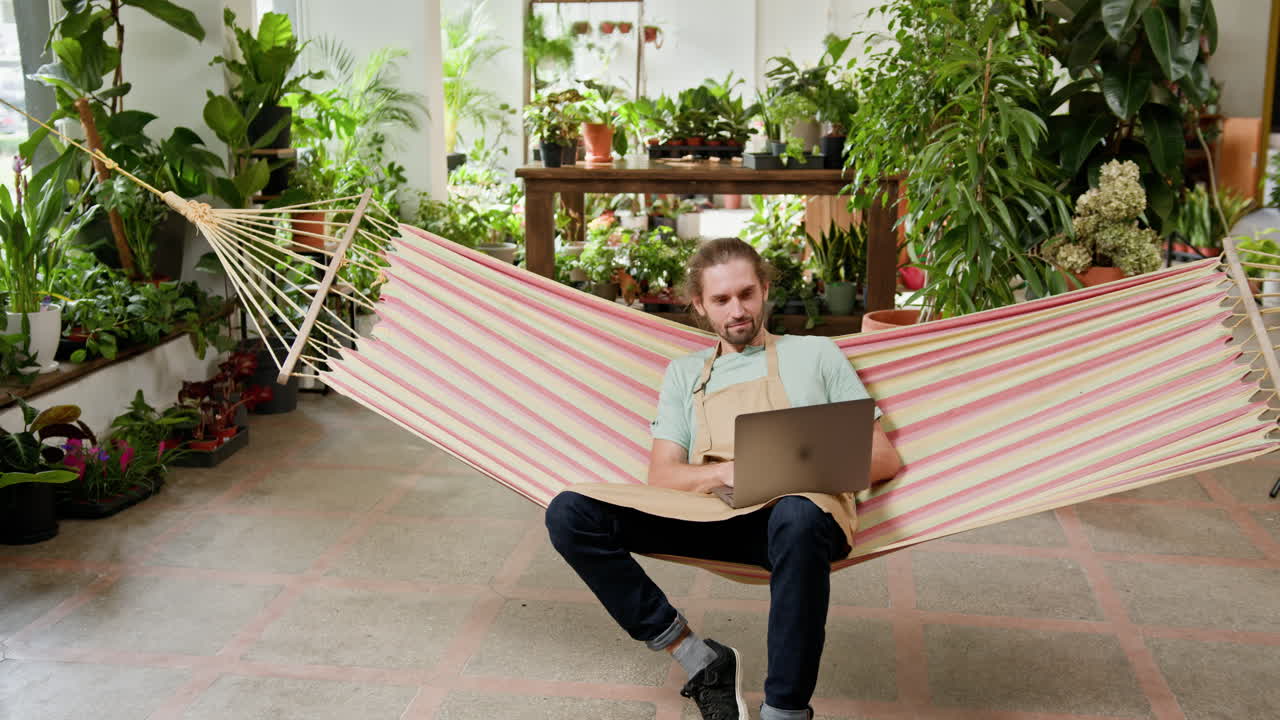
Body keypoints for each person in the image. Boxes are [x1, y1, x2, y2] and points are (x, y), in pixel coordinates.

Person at [545, 237, 903, 720]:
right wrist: (725, 473)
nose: (738, 311)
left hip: (800, 517)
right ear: (699, 305)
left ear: (765, 289)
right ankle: (700, 661)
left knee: (796, 515)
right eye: (721, 300)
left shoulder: (818, 356)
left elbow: (883, 458)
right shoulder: (684, 374)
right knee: (570, 512)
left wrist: (779, 470)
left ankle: (784, 711)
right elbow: (663, 475)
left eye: (747, 294)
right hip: (717, 512)